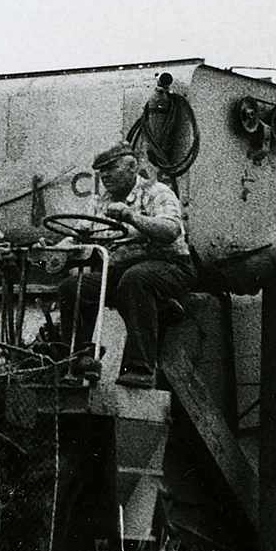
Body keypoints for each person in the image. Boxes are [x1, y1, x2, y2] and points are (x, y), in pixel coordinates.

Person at [57, 143, 195, 388]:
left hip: (170, 266)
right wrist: (54, 250)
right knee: (74, 287)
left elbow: (170, 230)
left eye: (111, 168)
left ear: (132, 167)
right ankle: (81, 359)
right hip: (120, 271)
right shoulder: (100, 203)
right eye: (101, 170)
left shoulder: (157, 192)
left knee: (136, 279)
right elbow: (78, 234)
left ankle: (140, 368)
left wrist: (131, 216)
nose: (105, 175)